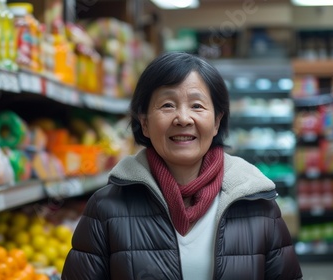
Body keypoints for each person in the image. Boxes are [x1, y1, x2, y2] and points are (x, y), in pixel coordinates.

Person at [61, 52, 303, 279]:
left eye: (197, 106)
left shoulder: (257, 203)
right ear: (144, 122)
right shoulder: (106, 208)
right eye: (167, 105)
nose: (183, 118)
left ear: (217, 121)